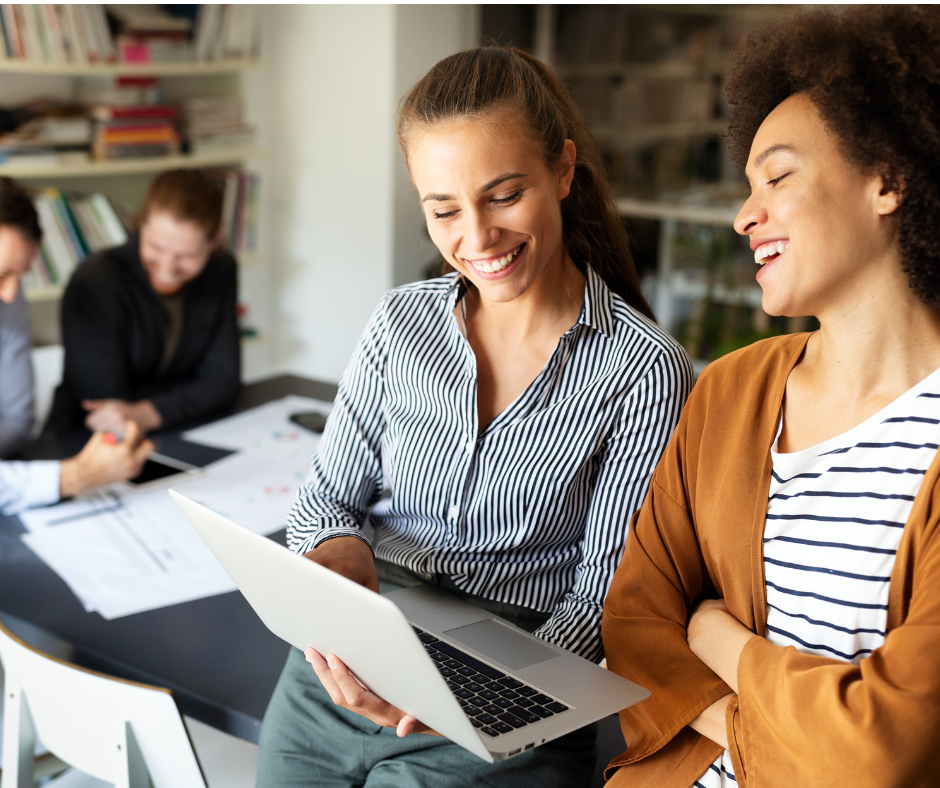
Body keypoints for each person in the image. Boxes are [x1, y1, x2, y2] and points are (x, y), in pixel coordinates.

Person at [256, 47, 692, 788]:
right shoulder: (400, 324)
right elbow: (327, 500)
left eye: (503, 194)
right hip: (354, 659)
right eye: (444, 210)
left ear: (562, 170)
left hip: (515, 674)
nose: (478, 238)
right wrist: (336, 566)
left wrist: (492, 697)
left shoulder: (643, 368)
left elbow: (607, 598)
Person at [602, 6, 940, 787]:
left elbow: (885, 746)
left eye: (779, 178)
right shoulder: (729, 390)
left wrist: (720, 640)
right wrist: (773, 737)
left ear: (887, 178)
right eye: (746, 187)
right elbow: (636, 621)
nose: (743, 216)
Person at [46, 168, 241, 437]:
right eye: (156, 248)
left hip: (181, 431)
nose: (167, 268)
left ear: (214, 242)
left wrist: (147, 412)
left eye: (186, 256)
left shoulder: (221, 270)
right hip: (87, 440)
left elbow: (225, 381)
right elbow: (107, 405)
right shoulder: (96, 281)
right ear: (139, 226)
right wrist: (191, 391)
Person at [0, 177, 153, 514]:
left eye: (18, 276)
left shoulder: (8, 301)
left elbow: (16, 419)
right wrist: (77, 475)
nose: (11, 294)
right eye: (1, 275)